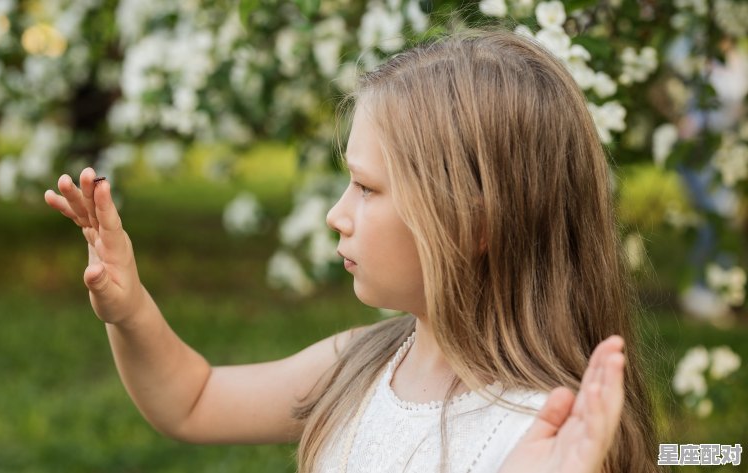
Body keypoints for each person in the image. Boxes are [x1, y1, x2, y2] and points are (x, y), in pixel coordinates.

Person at [44, 31, 658, 472]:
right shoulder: (361, 366)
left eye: (366, 188)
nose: (337, 214)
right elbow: (192, 401)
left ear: (475, 223)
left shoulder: (549, 437)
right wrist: (130, 310)